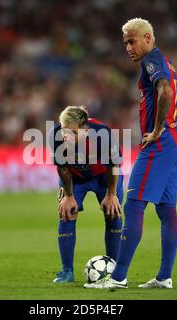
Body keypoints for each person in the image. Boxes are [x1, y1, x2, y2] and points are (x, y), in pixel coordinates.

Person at [85, 18, 177, 289]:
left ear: (148, 38)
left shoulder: (152, 61)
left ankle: (117, 278)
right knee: (167, 208)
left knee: (133, 205)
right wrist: (172, 127)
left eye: (132, 41)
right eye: (125, 43)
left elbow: (167, 91)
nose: (128, 48)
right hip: (175, 142)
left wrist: (158, 131)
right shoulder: (166, 63)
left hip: (159, 144)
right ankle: (164, 277)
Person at [48, 105, 124, 283]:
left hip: (103, 178)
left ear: (86, 130)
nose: (66, 136)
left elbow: (114, 166)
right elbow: (63, 168)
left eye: (73, 132)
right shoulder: (55, 135)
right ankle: (67, 271)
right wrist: (68, 196)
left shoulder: (103, 134)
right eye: (65, 131)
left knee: (113, 214)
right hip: (75, 179)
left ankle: (115, 271)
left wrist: (111, 194)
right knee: (66, 213)